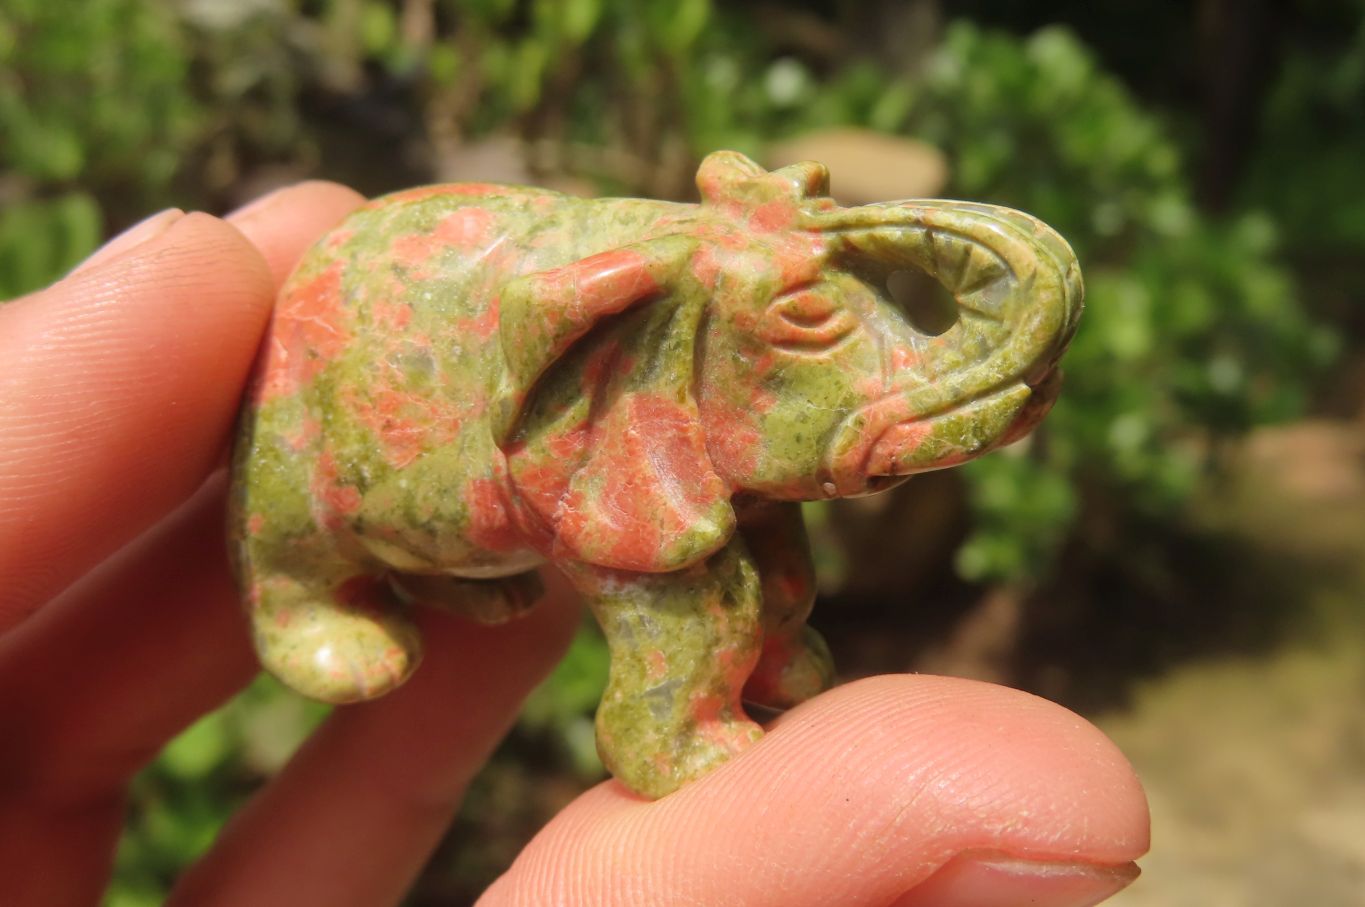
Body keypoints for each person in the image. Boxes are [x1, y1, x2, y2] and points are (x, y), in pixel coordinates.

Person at [0, 182, 1149, 906]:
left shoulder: (694, 396)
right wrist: (689, 708)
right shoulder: (621, 379)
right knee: (303, 507)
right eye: (812, 332)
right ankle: (305, 596)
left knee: (744, 548)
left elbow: (748, 520)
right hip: (397, 416)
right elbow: (670, 579)